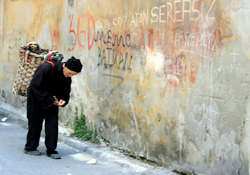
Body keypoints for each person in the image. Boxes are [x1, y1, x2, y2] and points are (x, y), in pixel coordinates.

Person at [23, 56, 82, 159]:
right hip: (36, 99)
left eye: (73, 75)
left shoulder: (67, 77)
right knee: (35, 122)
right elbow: (35, 86)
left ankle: (51, 150)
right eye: (70, 73)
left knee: (52, 125)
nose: (70, 76)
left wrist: (63, 99)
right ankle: (30, 147)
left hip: (52, 101)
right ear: (64, 66)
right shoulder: (47, 68)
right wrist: (50, 98)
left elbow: (66, 91)